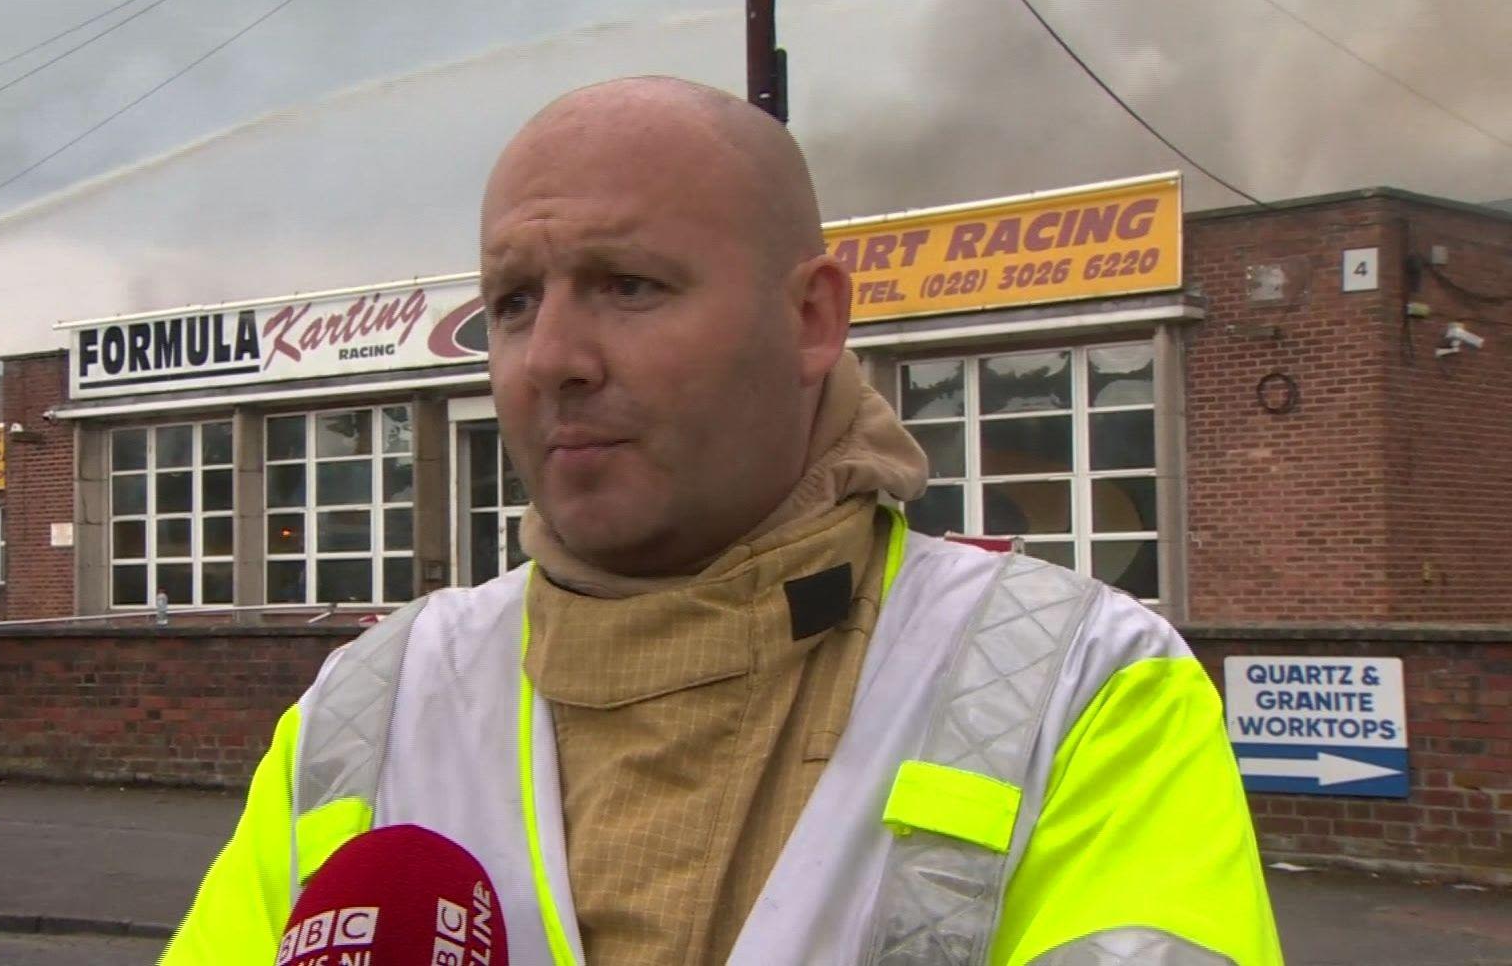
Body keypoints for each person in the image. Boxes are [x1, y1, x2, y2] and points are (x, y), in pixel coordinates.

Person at [165, 78, 1281, 965]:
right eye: (513, 302)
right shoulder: (365, 709)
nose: (551, 359)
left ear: (810, 321)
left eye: (628, 285)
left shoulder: (1080, 687)